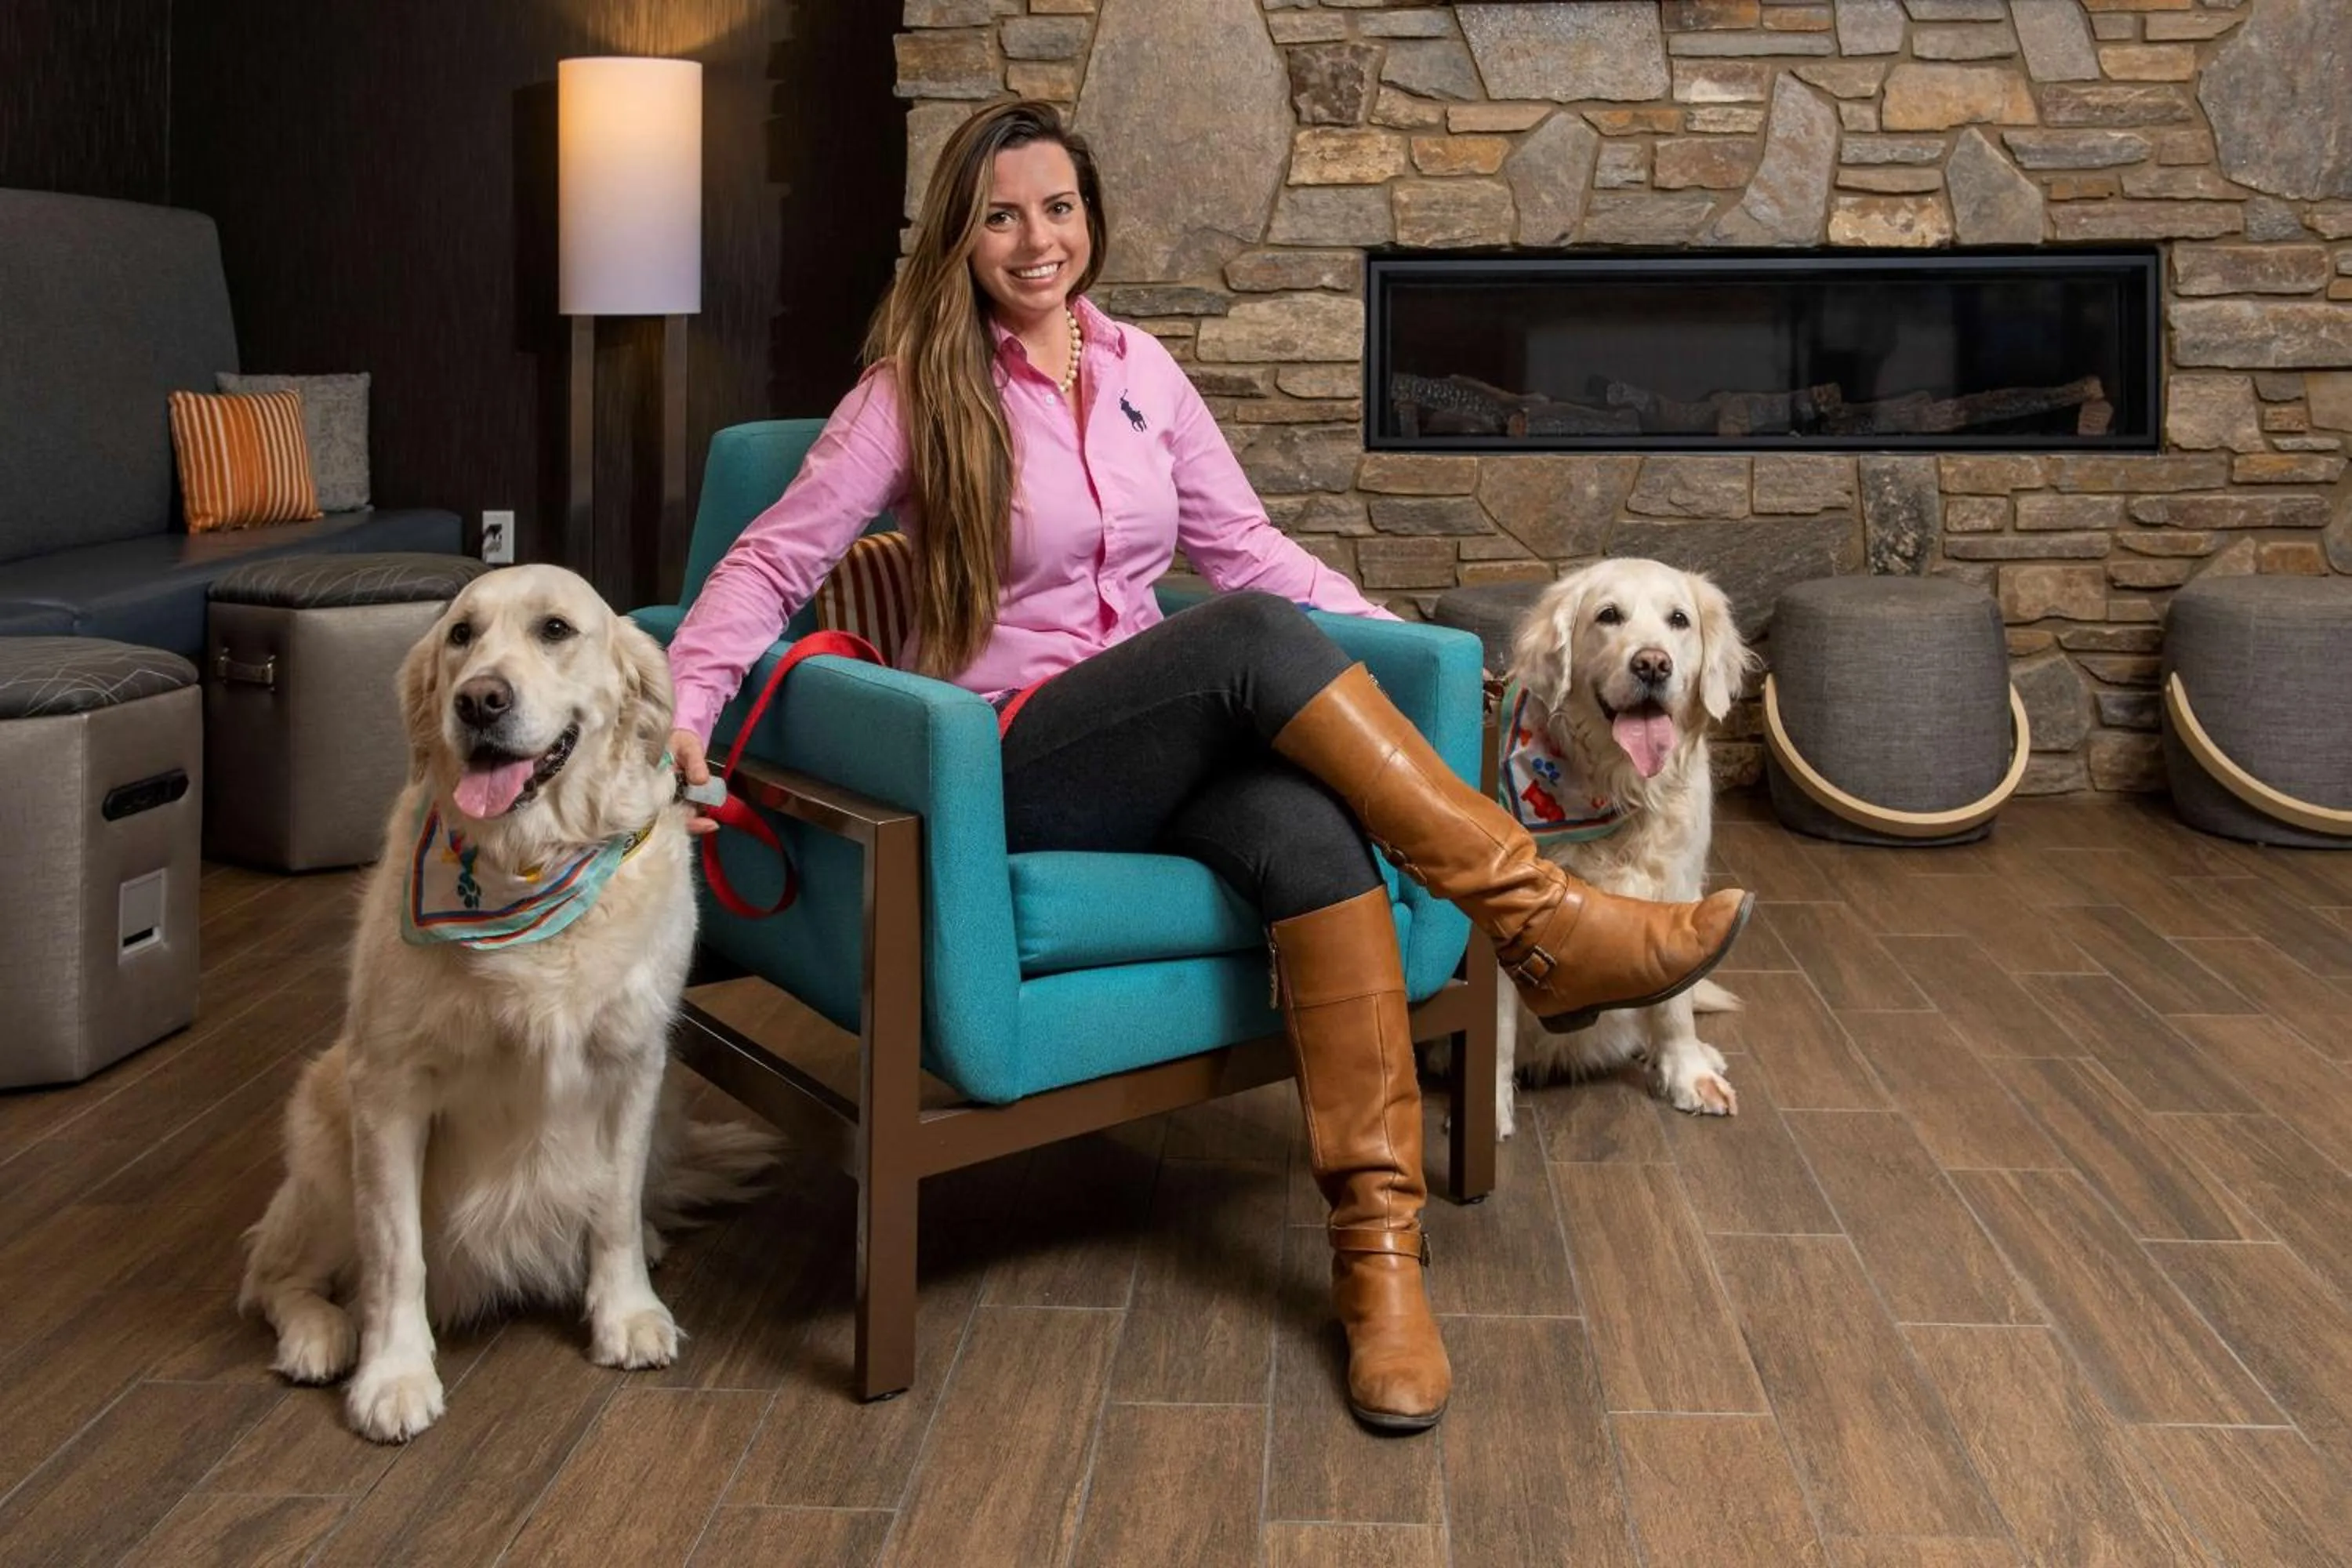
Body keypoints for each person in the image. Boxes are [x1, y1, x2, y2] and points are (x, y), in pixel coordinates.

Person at [664, 100, 1751, 1432]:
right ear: (958, 236)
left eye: (1058, 208)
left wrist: (1399, 639)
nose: (1036, 240)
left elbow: (1250, 550)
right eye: (1000, 216)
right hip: (1014, 765)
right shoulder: (912, 390)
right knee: (1243, 641)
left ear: (1091, 218)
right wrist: (684, 704)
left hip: (1166, 744)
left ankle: (1382, 1266)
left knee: (1310, 835)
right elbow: (772, 561)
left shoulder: (1142, 372)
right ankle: (1538, 913)